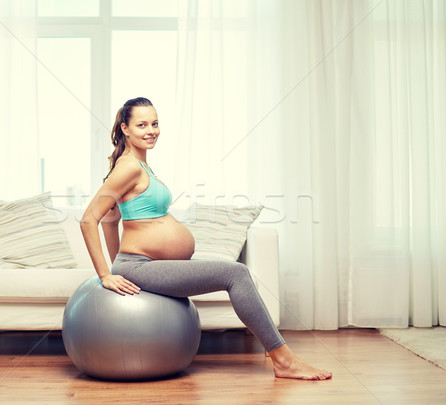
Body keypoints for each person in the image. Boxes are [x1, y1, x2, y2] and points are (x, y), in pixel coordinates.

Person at [80, 97, 332, 380]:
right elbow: (90, 218)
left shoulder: (139, 164)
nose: (151, 130)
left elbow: (112, 217)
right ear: (125, 129)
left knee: (234, 273)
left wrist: (117, 264)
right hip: (139, 266)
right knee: (235, 274)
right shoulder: (129, 167)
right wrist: (107, 274)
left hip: (139, 264)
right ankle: (284, 360)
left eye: (155, 123)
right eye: (142, 125)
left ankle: (283, 358)